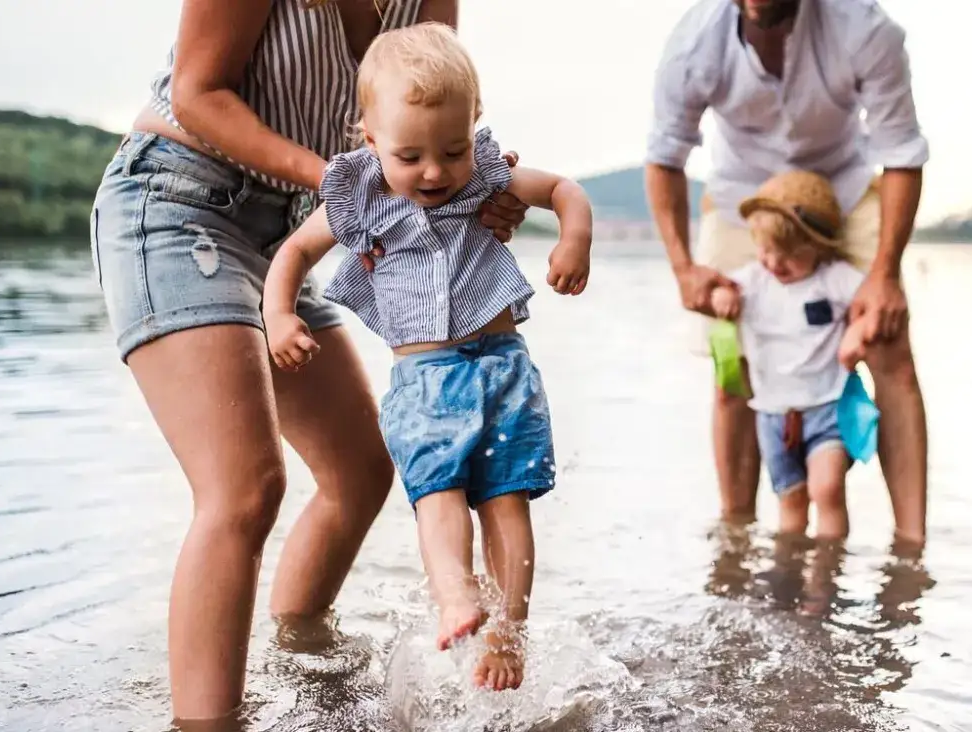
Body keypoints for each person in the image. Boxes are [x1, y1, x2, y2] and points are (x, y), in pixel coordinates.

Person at [88, 0, 528, 722]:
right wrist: (356, 189)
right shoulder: (351, 189)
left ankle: (298, 653)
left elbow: (430, 108)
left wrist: (469, 191)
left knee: (359, 470)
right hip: (178, 202)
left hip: (289, 227)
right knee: (244, 489)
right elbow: (197, 93)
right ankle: (205, 722)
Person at [262, 23, 594, 691]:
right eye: (410, 155)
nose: (436, 171)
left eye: (452, 149)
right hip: (425, 378)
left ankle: (508, 635)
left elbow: (564, 190)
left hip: (504, 365)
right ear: (371, 140)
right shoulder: (360, 197)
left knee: (507, 501)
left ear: (475, 123)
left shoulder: (486, 176)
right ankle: (454, 596)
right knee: (437, 493)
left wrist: (574, 240)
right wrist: (278, 314)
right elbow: (294, 252)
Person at [644, 0, 929, 545]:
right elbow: (664, 158)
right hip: (742, 200)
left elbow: (901, 155)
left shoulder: (867, 29)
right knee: (730, 364)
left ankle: (912, 551)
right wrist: (684, 269)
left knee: (889, 344)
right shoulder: (693, 46)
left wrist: (885, 274)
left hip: (840, 192)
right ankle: (736, 543)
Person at [707, 170, 874, 540]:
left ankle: (828, 566)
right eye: (766, 251)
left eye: (790, 256)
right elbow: (719, 290)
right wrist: (723, 297)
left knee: (827, 489)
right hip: (772, 416)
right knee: (791, 501)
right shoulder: (753, 280)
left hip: (827, 408)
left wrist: (857, 332)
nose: (775, 263)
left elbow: (870, 303)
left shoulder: (834, 278)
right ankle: (791, 568)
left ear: (819, 247)